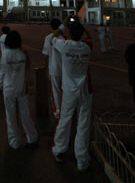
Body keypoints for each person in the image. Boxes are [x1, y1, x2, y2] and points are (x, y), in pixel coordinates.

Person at [51, 21, 93, 172]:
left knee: (65, 120)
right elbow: (89, 38)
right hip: (85, 90)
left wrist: (63, 24)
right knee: (83, 124)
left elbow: (53, 37)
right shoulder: (87, 47)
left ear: (69, 33)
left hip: (69, 90)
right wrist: (82, 27)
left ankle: (59, 150)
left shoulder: (64, 45)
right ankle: (82, 159)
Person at [2, 30, 39, 150]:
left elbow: (2, 69)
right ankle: (32, 137)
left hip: (8, 88)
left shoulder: (5, 54)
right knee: (25, 114)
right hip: (22, 88)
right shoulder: (23, 54)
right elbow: (28, 68)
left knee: (11, 116)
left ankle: (14, 142)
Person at [42, 19, 65, 118]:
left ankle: (58, 111)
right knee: (63, 89)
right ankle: (66, 109)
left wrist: (45, 65)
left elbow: (46, 54)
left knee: (55, 90)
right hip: (64, 69)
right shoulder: (64, 38)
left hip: (53, 67)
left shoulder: (48, 38)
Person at [0, 26, 11, 93]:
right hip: (8, 57)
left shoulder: (1, 37)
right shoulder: (8, 37)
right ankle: (7, 86)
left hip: (3, 56)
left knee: (2, 72)